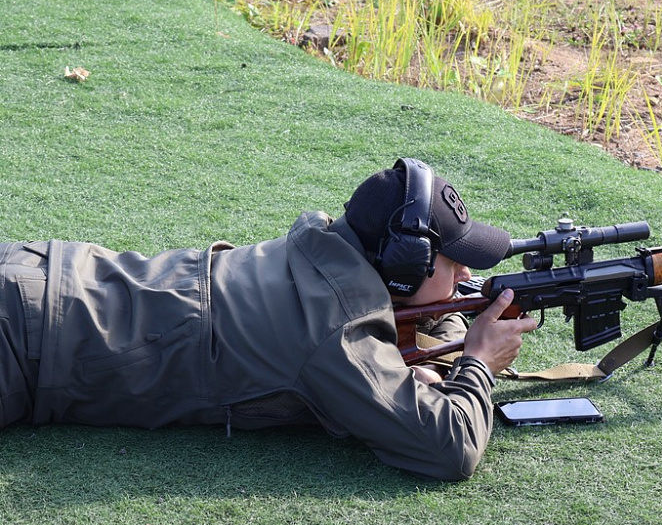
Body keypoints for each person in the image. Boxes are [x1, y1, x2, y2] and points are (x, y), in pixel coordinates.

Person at [0, 158, 537, 481]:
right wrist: (478, 363)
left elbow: (398, 320)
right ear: (403, 265)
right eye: (452, 261)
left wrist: (453, 326)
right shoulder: (335, 334)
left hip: (38, 270)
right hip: (22, 345)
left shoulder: (319, 244)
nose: (465, 271)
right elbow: (447, 449)